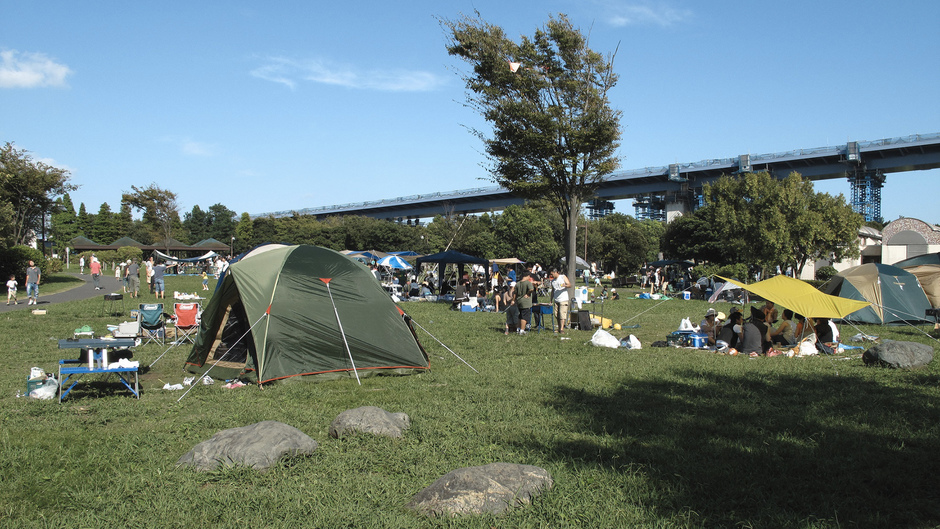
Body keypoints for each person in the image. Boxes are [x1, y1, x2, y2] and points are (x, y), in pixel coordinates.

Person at [550, 267, 571, 333]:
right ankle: (559, 328)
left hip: (563, 299)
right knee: (557, 314)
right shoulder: (553, 281)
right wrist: (551, 299)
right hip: (556, 299)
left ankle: (562, 329)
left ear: (555, 272)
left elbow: (569, 284)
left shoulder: (562, 277)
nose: (551, 275)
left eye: (552, 274)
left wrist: (565, 285)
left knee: (562, 314)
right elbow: (553, 291)